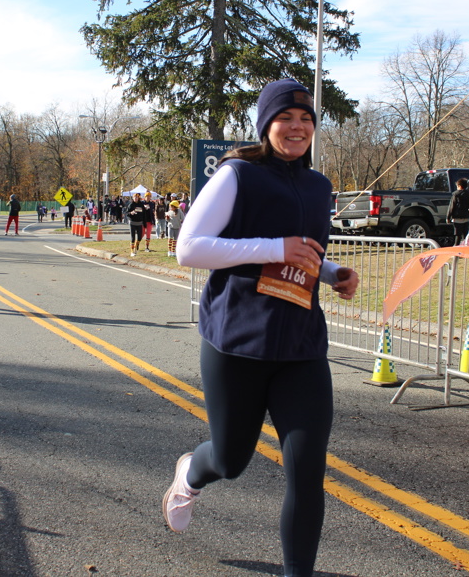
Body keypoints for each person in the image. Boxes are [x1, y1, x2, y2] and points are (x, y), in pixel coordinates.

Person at [164, 79, 359, 577]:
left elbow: (304, 252)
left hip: (300, 346)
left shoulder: (317, 186)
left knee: (308, 473)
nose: (297, 127)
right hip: (238, 342)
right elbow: (189, 247)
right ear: (266, 124)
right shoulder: (238, 174)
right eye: (285, 118)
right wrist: (276, 247)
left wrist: (333, 273)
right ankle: (190, 474)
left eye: (306, 119)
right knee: (230, 461)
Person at [447, 178, 469, 246]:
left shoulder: (456, 194)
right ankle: (465, 248)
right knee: (465, 236)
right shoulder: (468, 194)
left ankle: (456, 248)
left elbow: (451, 207)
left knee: (458, 236)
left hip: (457, 218)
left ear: (459, 186)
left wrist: (448, 217)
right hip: (466, 218)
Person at [126, 192, 146, 257]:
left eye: (137, 197)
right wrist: (131, 213)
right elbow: (127, 213)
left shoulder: (141, 204)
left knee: (139, 237)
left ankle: (137, 244)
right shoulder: (131, 205)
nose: (136, 198)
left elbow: (144, 214)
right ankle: (132, 251)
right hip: (132, 222)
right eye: (135, 197)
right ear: (133, 198)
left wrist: (144, 223)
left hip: (139, 223)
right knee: (133, 237)